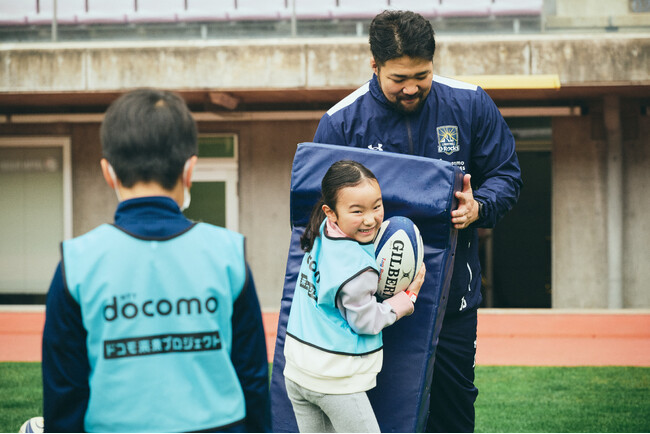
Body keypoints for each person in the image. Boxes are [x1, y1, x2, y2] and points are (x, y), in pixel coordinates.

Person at [313, 10, 523, 433]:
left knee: (452, 411)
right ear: (374, 66)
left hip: (453, 299)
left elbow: (507, 174)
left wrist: (479, 206)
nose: (411, 88)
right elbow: (317, 213)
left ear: (434, 60)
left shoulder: (469, 103)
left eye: (421, 75)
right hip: (369, 302)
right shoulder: (341, 123)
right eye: (398, 79)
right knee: (381, 414)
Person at [41, 88, 270, 433]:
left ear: (108, 172)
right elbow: (252, 379)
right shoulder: (228, 253)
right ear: (190, 169)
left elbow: (64, 397)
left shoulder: (76, 263)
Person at [283, 160, 426, 433]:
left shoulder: (322, 230)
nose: (370, 218)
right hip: (334, 379)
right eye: (357, 211)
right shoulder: (357, 267)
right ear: (331, 212)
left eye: (376, 206)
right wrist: (406, 300)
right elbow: (365, 321)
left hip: (298, 372)